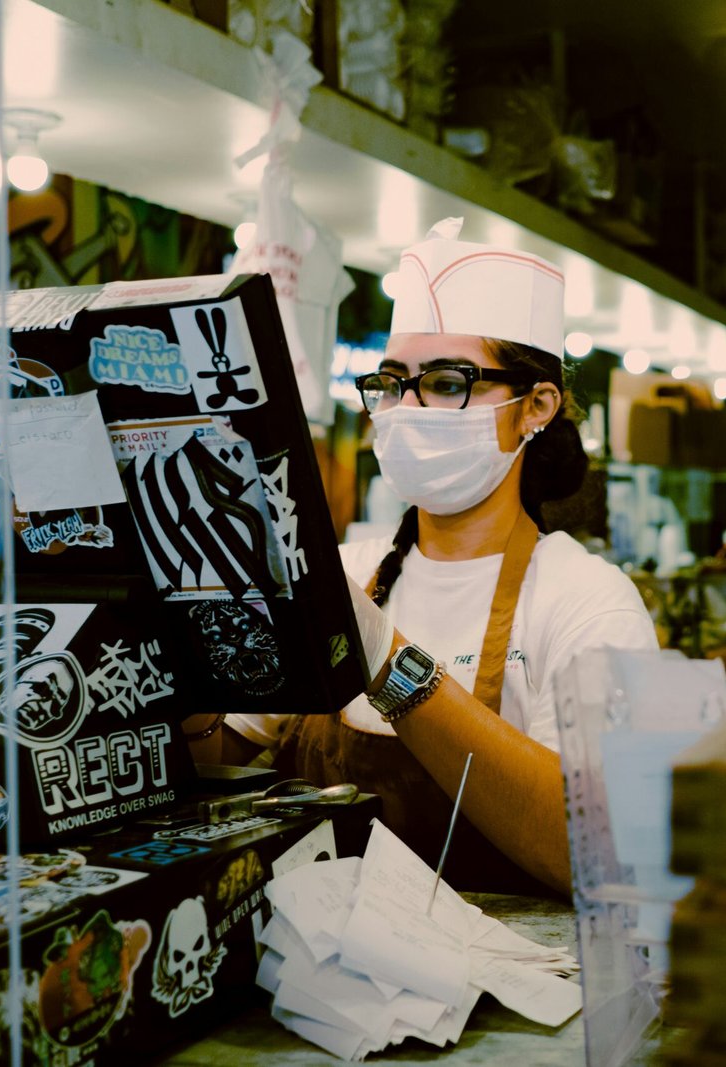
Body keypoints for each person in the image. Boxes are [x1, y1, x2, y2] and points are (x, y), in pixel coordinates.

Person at [205, 218, 657, 895]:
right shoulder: (347, 570)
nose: (406, 408)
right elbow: (213, 763)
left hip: (506, 992)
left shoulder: (586, 600)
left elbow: (598, 851)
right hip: (306, 984)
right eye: (392, 382)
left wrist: (387, 659)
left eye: (446, 383)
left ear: (536, 406)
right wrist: (186, 681)